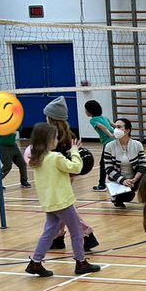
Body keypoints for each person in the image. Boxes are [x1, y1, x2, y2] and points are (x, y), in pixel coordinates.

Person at [25, 123, 101, 277]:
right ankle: (81, 262)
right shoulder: (55, 157)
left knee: (49, 233)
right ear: (48, 140)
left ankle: (35, 262)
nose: (57, 140)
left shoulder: (37, 159)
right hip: (62, 202)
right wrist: (75, 152)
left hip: (49, 202)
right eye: (55, 138)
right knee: (76, 232)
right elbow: (76, 168)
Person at [43, 96, 99, 252]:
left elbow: (48, 158)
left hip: (58, 176)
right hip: (69, 174)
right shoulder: (69, 134)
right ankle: (58, 238)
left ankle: (87, 234)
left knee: (62, 209)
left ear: (51, 117)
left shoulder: (51, 136)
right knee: (59, 207)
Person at [104, 116, 146, 207]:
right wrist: (123, 181)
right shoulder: (109, 146)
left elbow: (142, 165)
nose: (116, 129)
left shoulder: (137, 145)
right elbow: (109, 169)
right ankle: (116, 197)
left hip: (134, 178)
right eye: (115, 127)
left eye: (119, 127)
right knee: (127, 197)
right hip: (118, 180)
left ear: (127, 130)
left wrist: (134, 179)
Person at [84, 98, 115, 191]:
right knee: (113, 162)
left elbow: (102, 127)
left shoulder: (93, 120)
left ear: (90, 111)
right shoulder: (104, 117)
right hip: (114, 142)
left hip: (108, 143)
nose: (85, 111)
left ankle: (102, 185)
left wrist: (110, 135)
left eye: (86, 109)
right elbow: (113, 125)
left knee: (103, 164)